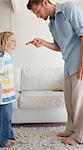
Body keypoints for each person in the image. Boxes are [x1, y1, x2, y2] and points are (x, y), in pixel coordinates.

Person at [26, 0, 83, 145]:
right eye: (35, 14)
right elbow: (59, 46)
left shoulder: (68, 9)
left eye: (37, 11)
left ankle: (79, 137)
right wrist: (43, 43)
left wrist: (82, 62)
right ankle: (71, 129)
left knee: (79, 102)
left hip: (79, 62)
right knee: (70, 101)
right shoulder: (51, 24)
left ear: (45, 2)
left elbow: (82, 33)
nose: (38, 16)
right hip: (68, 64)